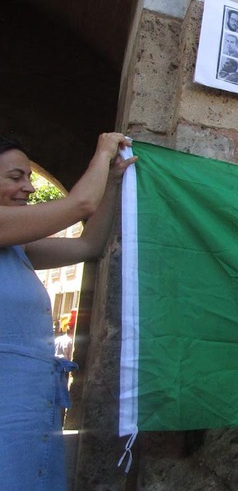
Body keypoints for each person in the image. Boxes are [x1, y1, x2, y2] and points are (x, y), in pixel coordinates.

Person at [0, 132, 136, 490]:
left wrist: (113, 183)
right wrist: (104, 150)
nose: (28, 188)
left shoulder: (17, 248)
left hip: (27, 415)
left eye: (29, 177)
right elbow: (79, 206)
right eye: (15, 177)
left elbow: (87, 244)